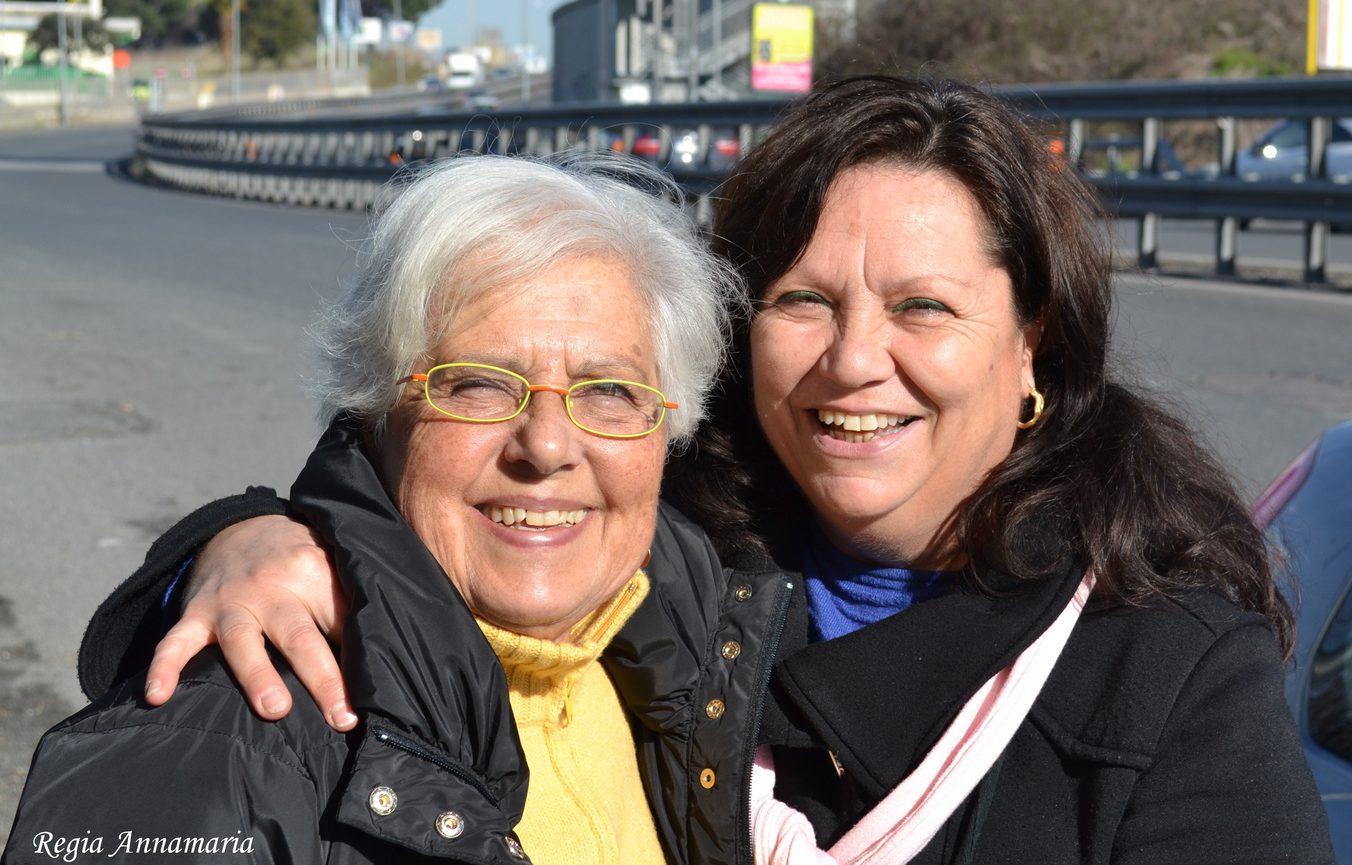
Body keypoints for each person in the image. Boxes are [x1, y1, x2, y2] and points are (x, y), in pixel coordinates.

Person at [61, 77, 1333, 864]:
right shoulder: (673, 569)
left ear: (1029, 351)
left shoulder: (1161, 666)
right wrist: (241, 543)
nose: (853, 363)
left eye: (924, 308)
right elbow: (440, 485)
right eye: (803, 301)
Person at [2, 154, 741, 865]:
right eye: (478, 384)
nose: (546, 446)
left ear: (668, 429)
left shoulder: (711, 659)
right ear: (374, 411)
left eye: (610, 391)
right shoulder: (221, 747)